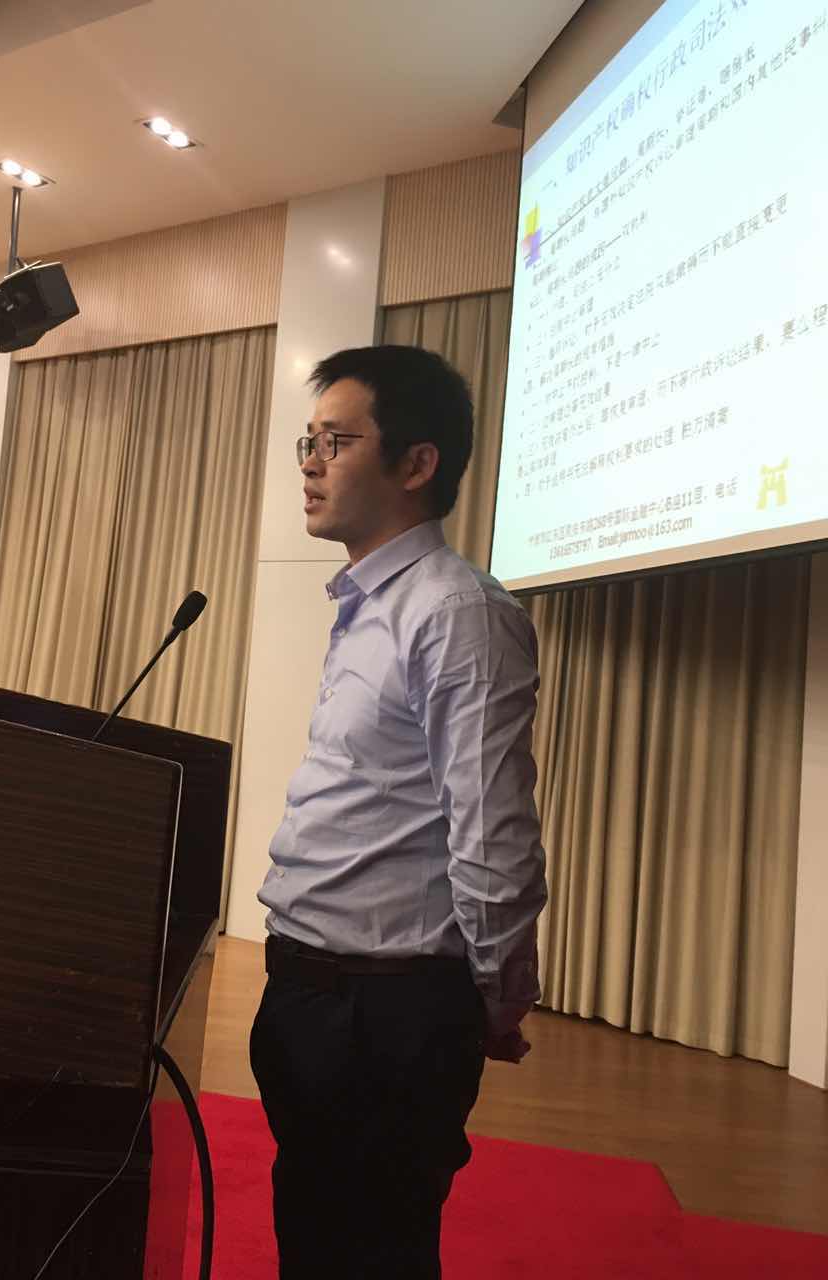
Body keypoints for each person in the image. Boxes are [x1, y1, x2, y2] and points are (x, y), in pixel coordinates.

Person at [250, 345, 548, 1279]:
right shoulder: (367, 603)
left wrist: (490, 1003)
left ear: (417, 463)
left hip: (385, 1014)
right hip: (309, 990)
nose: (310, 463)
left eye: (336, 443)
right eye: (308, 441)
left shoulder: (456, 613)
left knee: (374, 1252)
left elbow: (493, 835)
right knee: (315, 1238)